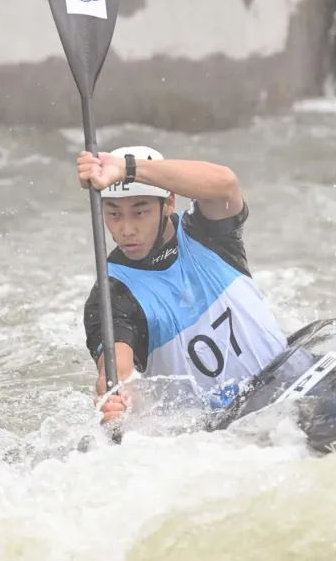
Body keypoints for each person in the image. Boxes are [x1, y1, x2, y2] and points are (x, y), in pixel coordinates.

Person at [78, 146, 288, 425]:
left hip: (287, 378)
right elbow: (118, 371)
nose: (126, 229)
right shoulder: (112, 294)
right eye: (114, 214)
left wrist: (127, 169)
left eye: (139, 213)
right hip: (220, 427)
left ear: (168, 203)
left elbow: (225, 184)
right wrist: (116, 397)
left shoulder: (206, 232)